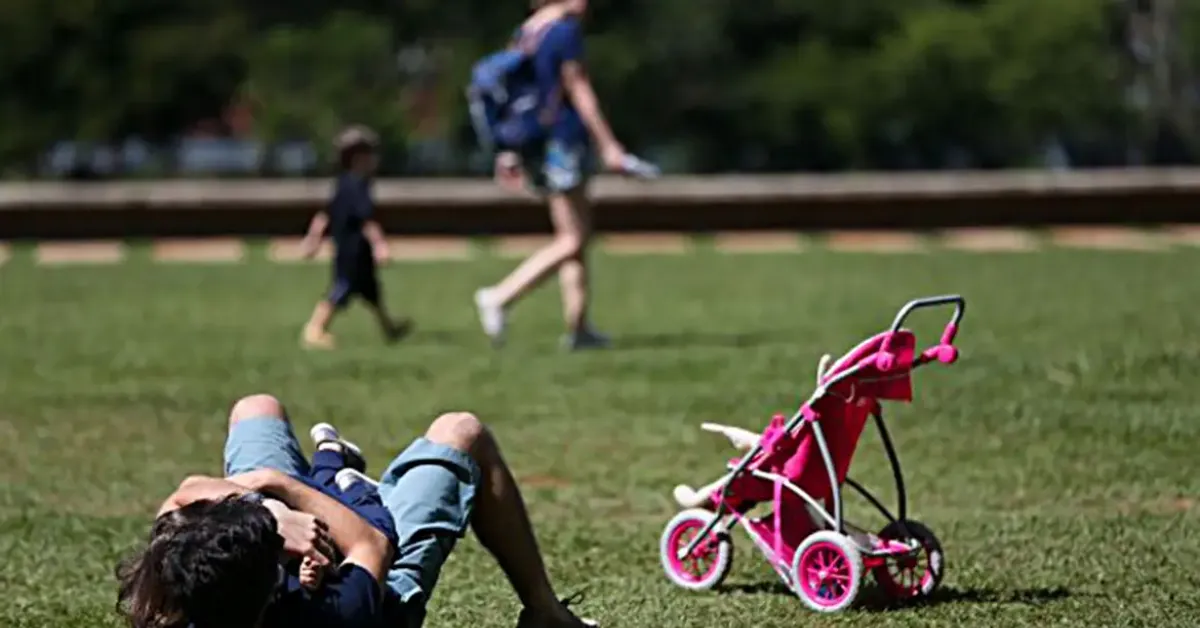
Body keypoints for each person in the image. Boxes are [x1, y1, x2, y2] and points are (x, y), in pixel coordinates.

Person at [116, 394, 596, 628]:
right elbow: (370, 542)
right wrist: (278, 489)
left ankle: (333, 476)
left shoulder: (171, 598)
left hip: (279, 539)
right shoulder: (334, 615)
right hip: (374, 574)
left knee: (256, 407)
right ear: (268, 585)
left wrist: (269, 511)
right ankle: (544, 612)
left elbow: (184, 495)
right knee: (461, 430)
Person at [473, 0, 632, 351]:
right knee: (573, 240)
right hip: (564, 140)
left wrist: (507, 151)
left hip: (536, 143)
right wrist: (608, 144)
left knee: (573, 235)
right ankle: (500, 296)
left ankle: (579, 328)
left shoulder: (528, 30)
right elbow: (578, 88)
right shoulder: (563, 31)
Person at [300, 126, 410, 349]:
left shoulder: (344, 183)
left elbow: (324, 215)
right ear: (358, 158)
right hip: (352, 249)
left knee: (371, 291)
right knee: (342, 289)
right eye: (371, 155)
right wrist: (381, 245)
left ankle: (389, 328)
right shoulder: (357, 185)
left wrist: (313, 239)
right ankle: (314, 329)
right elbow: (367, 220)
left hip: (353, 249)